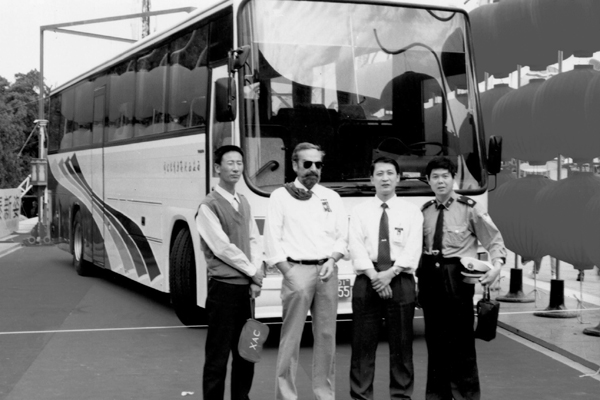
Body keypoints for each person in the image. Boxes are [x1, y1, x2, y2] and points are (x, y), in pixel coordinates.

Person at [418, 156, 507, 400]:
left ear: (453, 178)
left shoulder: (470, 208)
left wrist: (497, 267)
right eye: (435, 177)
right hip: (431, 279)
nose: (440, 181)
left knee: (461, 342)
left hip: (457, 279)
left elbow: (494, 240)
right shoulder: (425, 211)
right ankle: (437, 396)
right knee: (435, 342)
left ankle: (466, 396)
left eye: (445, 176)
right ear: (428, 181)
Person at [264, 142, 348, 400]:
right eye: (307, 164)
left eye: (318, 164)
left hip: (327, 271)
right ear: (294, 165)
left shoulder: (331, 197)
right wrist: (288, 273)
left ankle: (324, 394)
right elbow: (271, 239)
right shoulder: (280, 196)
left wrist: (333, 260)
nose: (313, 169)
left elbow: (342, 237)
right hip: (296, 271)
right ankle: (286, 396)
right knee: (291, 338)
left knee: (326, 337)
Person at [349, 157, 423, 400]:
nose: (385, 178)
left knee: (402, 344)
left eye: (390, 173)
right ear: (371, 179)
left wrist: (390, 273)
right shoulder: (359, 211)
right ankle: (361, 395)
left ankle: (401, 396)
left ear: (398, 178)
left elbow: (413, 247)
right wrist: (375, 277)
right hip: (367, 279)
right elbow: (355, 246)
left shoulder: (412, 211)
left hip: (400, 278)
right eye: (379, 174)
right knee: (362, 344)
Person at [196, 145, 264, 400]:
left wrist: (255, 276)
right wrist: (252, 271)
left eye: (239, 163)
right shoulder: (208, 206)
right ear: (217, 168)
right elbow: (222, 248)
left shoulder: (243, 201)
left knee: (246, 352)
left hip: (245, 290)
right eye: (230, 163)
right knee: (218, 355)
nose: (236, 168)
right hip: (223, 289)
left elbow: (254, 239)